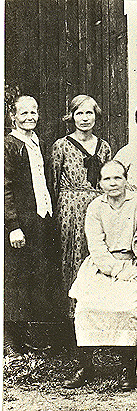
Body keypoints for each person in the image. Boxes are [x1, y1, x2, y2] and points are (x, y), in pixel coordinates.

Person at [64, 160, 137, 391]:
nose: (113, 183)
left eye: (118, 177)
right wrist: (117, 270)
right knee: (86, 306)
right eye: (107, 179)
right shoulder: (95, 207)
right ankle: (86, 367)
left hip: (135, 265)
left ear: (126, 180)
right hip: (102, 266)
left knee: (127, 307)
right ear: (100, 183)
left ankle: (127, 368)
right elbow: (97, 248)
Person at [4, 95, 62, 356]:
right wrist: (13, 225)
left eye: (33, 112)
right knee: (17, 278)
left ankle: (34, 337)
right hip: (21, 222)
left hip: (41, 219)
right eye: (24, 113)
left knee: (39, 276)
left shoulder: (38, 142)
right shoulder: (8, 145)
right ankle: (11, 340)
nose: (30, 117)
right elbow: (4, 189)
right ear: (13, 116)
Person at [51, 95, 112, 319]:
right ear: (72, 117)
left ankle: (93, 313)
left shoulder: (104, 147)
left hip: (96, 206)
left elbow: (108, 180)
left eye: (89, 113)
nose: (84, 118)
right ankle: (70, 314)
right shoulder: (61, 146)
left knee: (94, 255)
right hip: (69, 208)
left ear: (96, 116)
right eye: (79, 113)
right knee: (69, 255)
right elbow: (53, 182)